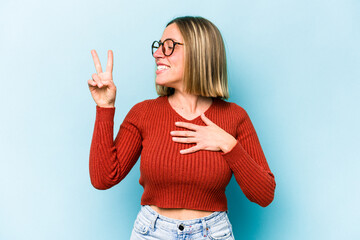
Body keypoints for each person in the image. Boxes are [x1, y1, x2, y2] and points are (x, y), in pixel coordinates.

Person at [88, 16, 276, 240]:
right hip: (152, 233)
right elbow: (103, 178)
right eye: (158, 47)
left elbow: (264, 195)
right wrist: (105, 107)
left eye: (169, 47)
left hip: (212, 233)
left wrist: (227, 144)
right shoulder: (143, 113)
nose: (158, 54)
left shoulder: (234, 117)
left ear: (199, 53)